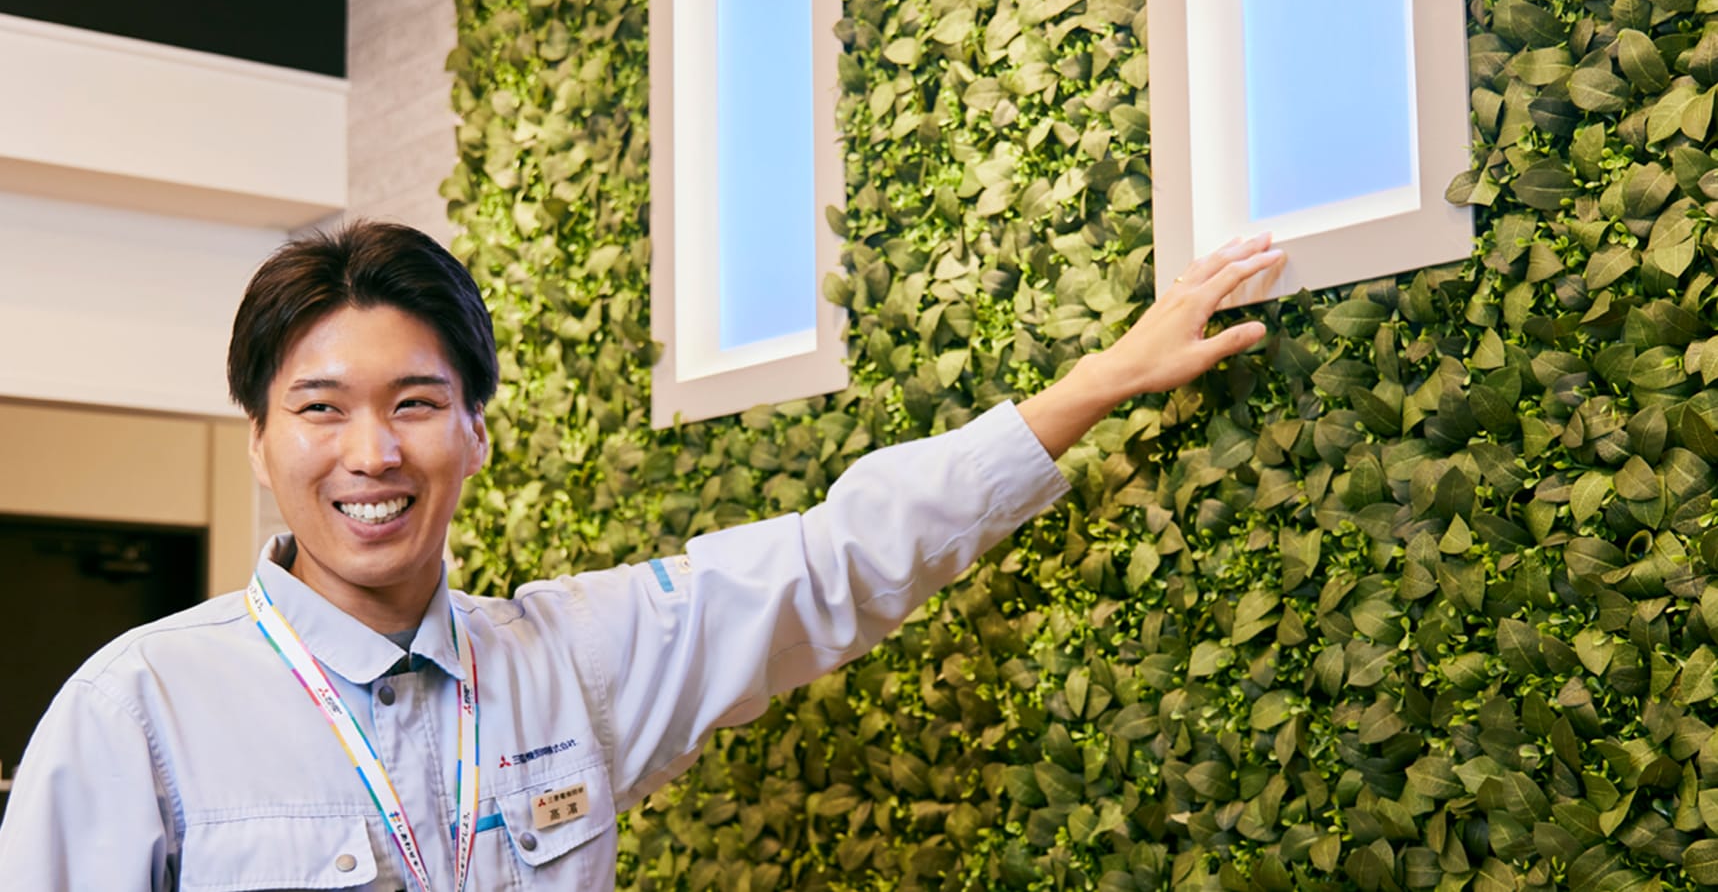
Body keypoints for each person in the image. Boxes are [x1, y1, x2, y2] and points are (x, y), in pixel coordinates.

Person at [0, 221, 1282, 890]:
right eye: (320, 407)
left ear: (475, 430)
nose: (371, 451)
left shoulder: (572, 662)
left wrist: (1100, 380)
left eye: (415, 402)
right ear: (259, 441)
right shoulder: (136, 712)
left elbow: (834, 561)